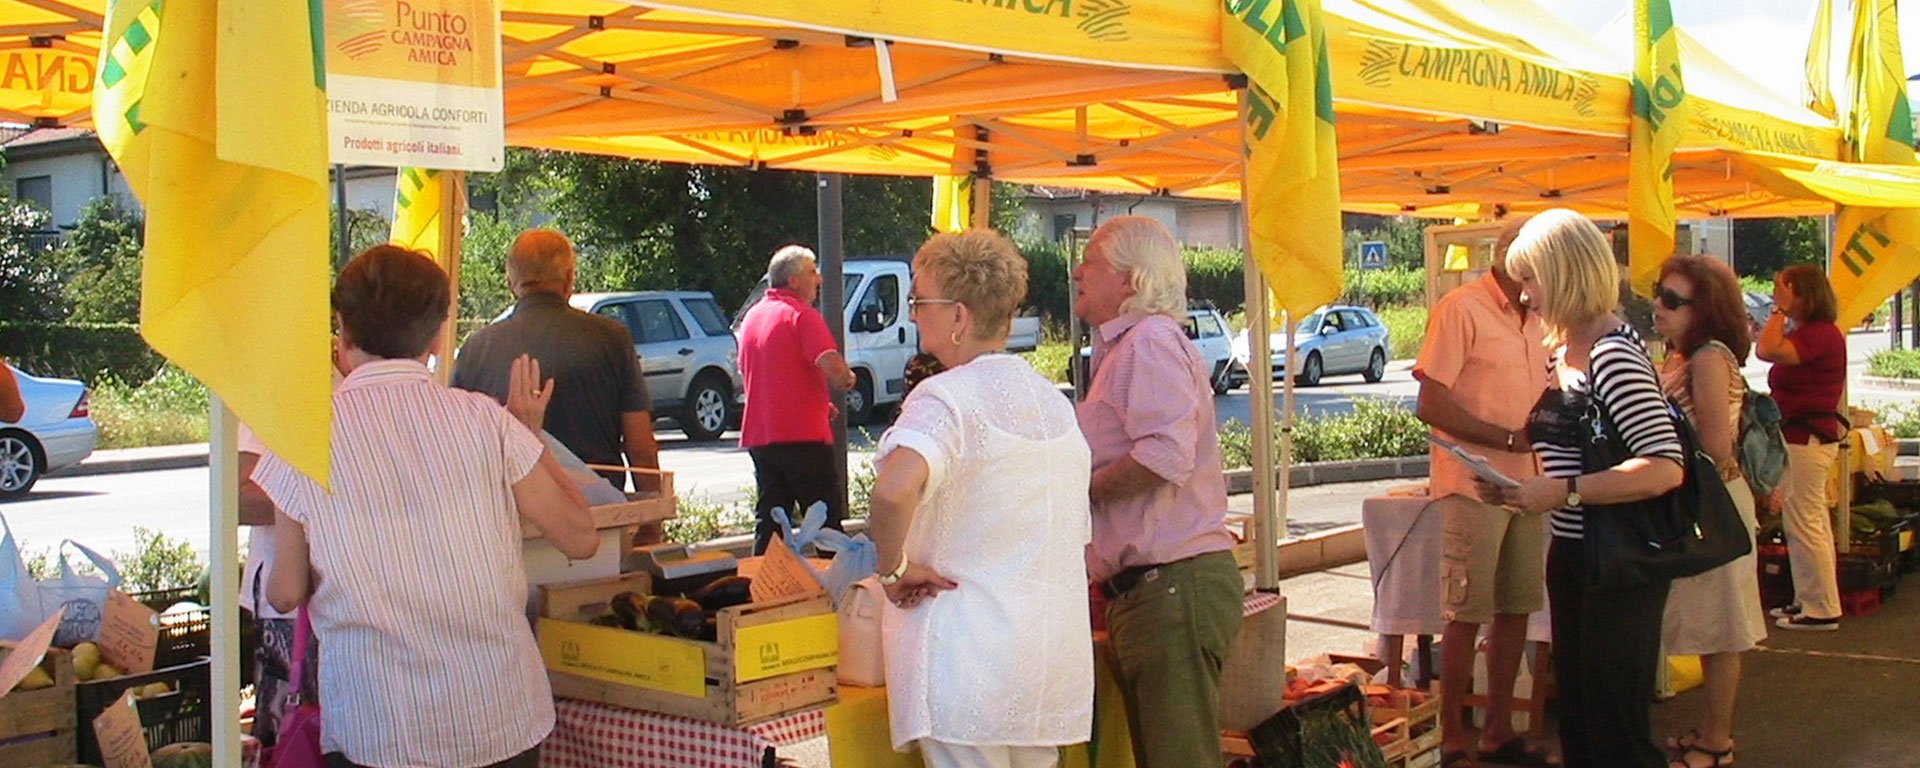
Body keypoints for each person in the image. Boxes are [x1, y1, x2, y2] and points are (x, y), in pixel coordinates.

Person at [261, 245, 596, 768]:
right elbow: (580, 536)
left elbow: (283, 592)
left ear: (343, 333)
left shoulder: (305, 437)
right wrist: (529, 434)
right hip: (497, 719)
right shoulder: (487, 421)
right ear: (439, 335)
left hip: (378, 725)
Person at [867, 229, 1092, 768]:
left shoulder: (946, 397)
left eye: (920, 301)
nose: (914, 314)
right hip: (1044, 663)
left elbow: (893, 492)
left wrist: (893, 572)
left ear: (959, 316)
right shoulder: (1053, 403)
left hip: (965, 658)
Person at [1476, 209, 1685, 768]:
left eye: (1530, 279)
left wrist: (1562, 491)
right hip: (1576, 554)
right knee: (1586, 721)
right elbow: (1573, 452)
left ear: (1565, 274)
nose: (1525, 297)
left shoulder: (1612, 353)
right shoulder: (1566, 353)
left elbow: (1665, 466)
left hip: (1618, 562)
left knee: (1614, 727)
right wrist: (1520, 489)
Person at [1073, 216, 1242, 768]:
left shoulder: (1148, 342)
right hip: (1155, 589)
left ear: (1130, 279)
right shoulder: (1130, 346)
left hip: (1170, 584)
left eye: (1092, 261)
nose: (1079, 271)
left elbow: (1165, 455)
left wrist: (1084, 492)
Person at [1412, 218, 1554, 768]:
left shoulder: (1539, 314)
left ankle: (1498, 731)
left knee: (1517, 606)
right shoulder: (1462, 309)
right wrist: (1505, 437)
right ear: (1512, 259)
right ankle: (1451, 738)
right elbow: (1432, 404)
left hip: (1528, 482)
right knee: (1465, 612)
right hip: (1473, 482)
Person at [1651, 256, 1767, 768]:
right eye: (1659, 294)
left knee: (1721, 631)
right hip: (1700, 504)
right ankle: (1709, 731)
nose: (1658, 306)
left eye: (1673, 301)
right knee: (1706, 625)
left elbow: (1716, 446)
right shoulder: (1682, 355)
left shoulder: (1707, 358)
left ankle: (1717, 740)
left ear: (1705, 310)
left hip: (1712, 505)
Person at [452, 229, 661, 505]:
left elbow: (457, 447)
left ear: (511, 283)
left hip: (511, 517)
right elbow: (641, 449)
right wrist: (651, 525)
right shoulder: (612, 338)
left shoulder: (475, 350)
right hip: (599, 517)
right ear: (569, 278)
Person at [737, 245, 857, 553]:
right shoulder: (801, 316)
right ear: (793, 280)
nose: (819, 279)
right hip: (802, 438)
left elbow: (768, 375)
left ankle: (761, 588)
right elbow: (831, 364)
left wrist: (819, 404)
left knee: (771, 520)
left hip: (762, 437)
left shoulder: (752, 318)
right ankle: (837, 589)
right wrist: (846, 378)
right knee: (825, 521)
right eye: (812, 272)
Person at [1756, 263, 1848, 631]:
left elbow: (1766, 349)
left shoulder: (1821, 334)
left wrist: (1777, 309)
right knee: (1804, 523)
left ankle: (1821, 608)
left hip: (1806, 438)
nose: (1781, 299)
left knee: (1806, 523)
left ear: (1804, 295)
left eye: (1787, 292)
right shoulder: (1815, 333)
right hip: (1801, 436)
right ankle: (1808, 599)